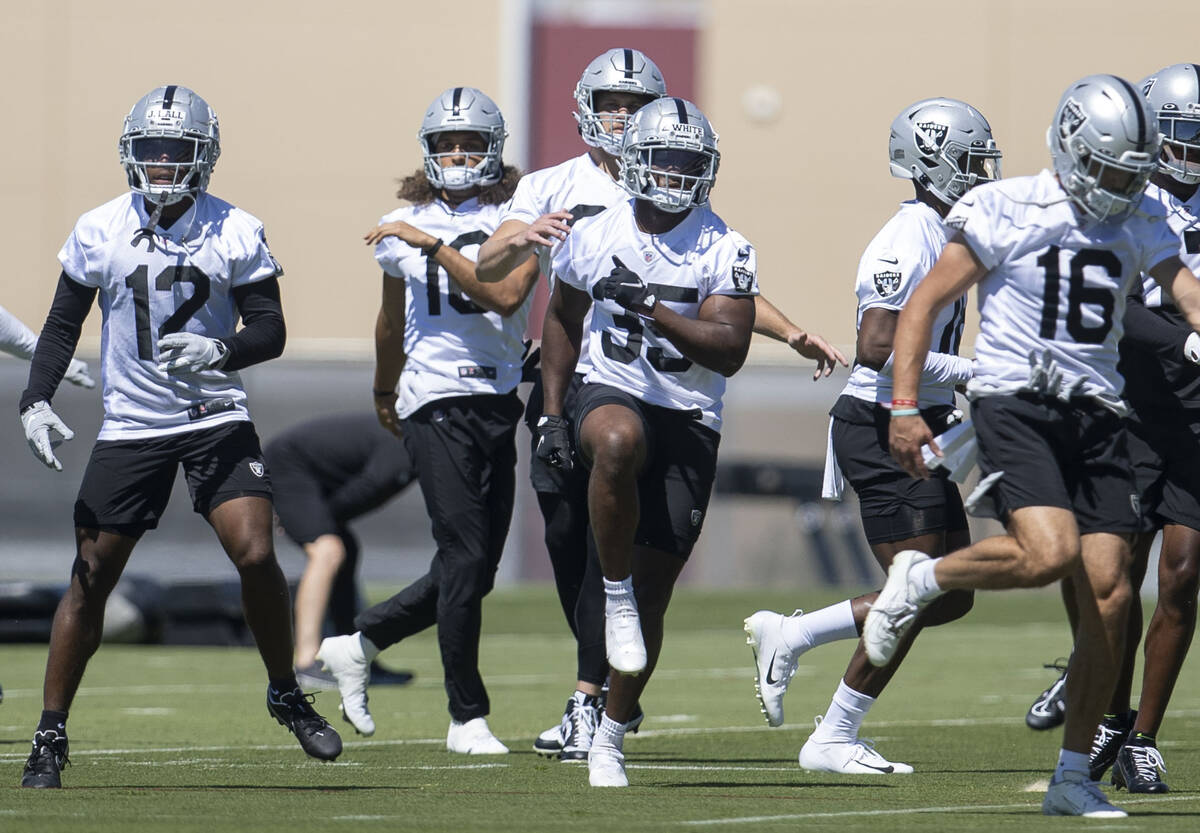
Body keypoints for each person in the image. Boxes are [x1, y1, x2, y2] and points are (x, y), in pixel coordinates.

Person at [476, 48, 846, 763]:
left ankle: (598, 704)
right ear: (586, 106)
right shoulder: (566, 195)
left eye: (631, 102)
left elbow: (726, 312)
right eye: (608, 101)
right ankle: (595, 677)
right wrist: (525, 235)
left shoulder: (717, 235)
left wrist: (791, 328)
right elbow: (527, 286)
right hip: (591, 383)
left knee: (642, 576)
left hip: (678, 406)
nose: (618, 113)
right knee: (570, 535)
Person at [870, 74, 1200, 818]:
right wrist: (902, 405)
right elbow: (923, 303)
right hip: (1016, 399)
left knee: (1112, 597)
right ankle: (923, 579)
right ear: (1078, 151)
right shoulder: (1003, 205)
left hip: (1099, 413)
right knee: (1049, 553)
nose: (1124, 185)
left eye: (1133, 172)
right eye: (1114, 169)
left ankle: (1073, 774)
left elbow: (1183, 290)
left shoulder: (1143, 213)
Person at [17, 85, 341, 789]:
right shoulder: (99, 227)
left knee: (257, 552)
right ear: (130, 154)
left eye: (175, 153)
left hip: (213, 416)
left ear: (204, 158)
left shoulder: (235, 228)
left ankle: (284, 690)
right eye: (150, 152)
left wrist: (223, 351)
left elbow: (271, 329)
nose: (161, 165)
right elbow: (63, 323)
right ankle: (49, 733)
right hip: (132, 423)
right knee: (91, 577)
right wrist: (34, 398)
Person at [743, 98, 1001, 774]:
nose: (981, 175)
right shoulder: (905, 238)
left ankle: (793, 632)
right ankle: (833, 732)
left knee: (949, 592)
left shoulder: (946, 231)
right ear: (931, 164)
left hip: (926, 419)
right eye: (970, 163)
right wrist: (973, 369)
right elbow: (876, 346)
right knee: (914, 590)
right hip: (886, 421)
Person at [538, 97, 757, 787]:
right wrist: (549, 413)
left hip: (689, 416)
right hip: (612, 393)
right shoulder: (594, 231)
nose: (675, 173)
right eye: (664, 159)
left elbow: (728, 349)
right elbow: (563, 321)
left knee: (657, 593)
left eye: (689, 162)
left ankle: (610, 733)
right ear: (636, 160)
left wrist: (651, 305)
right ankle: (613, 586)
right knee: (615, 439)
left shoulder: (727, 245)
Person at [316, 87, 538, 754]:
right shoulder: (399, 222)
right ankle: (466, 715)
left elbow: (501, 294)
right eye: (447, 143)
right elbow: (391, 317)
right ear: (429, 151)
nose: (459, 153)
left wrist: (430, 243)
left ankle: (359, 641)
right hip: (433, 398)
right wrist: (385, 385)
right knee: (466, 555)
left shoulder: (520, 216)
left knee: (476, 568)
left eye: (471, 142)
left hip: (498, 399)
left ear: (494, 150)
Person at [1079, 62, 1200, 795]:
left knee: (1184, 575)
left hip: (1197, 415)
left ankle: (1144, 736)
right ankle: (1109, 712)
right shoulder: (1125, 198)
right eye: (1184, 133)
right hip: (1129, 408)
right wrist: (1182, 337)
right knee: (1117, 572)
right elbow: (1111, 300)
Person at [263, 412, 418, 689]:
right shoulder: (407, 442)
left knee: (345, 549)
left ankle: (351, 661)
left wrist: (317, 517)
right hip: (287, 465)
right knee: (329, 550)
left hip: (313, 479)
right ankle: (306, 663)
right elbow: (369, 487)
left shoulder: (416, 444)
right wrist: (303, 517)